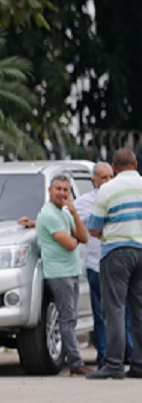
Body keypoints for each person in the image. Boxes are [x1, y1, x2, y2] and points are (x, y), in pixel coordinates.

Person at [86, 148, 142, 379]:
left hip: (116, 252)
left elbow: (93, 228)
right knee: (139, 309)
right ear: (135, 165)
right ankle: (139, 365)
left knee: (115, 308)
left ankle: (114, 364)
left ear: (114, 167)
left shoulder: (107, 189)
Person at [74, 162, 133, 368]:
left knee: (125, 310)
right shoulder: (84, 202)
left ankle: (128, 353)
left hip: (121, 261)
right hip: (96, 263)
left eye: (110, 176)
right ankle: (105, 354)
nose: (108, 181)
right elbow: (66, 219)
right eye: (103, 177)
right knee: (100, 313)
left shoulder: (121, 196)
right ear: (94, 181)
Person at [36, 174, 90, 376]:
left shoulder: (65, 213)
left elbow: (83, 237)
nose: (62, 193)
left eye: (65, 190)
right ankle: (75, 363)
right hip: (59, 273)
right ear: (50, 191)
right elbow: (69, 244)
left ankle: (75, 360)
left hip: (72, 271)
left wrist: (74, 213)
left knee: (71, 319)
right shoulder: (49, 214)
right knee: (67, 320)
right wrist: (74, 239)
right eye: (58, 189)